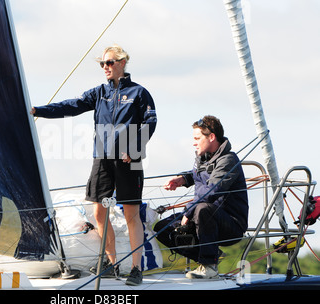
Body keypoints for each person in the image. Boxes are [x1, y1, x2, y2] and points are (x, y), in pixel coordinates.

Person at [31, 45, 157, 285]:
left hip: (128, 159)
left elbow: (151, 122)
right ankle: (112, 263)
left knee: (131, 213)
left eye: (109, 63)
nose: (105, 68)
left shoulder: (139, 93)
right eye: (102, 64)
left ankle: (136, 269)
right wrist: (39, 110)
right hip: (102, 158)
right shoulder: (99, 92)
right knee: (99, 211)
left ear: (121, 63)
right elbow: (72, 105)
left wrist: (134, 149)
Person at [155, 115, 248, 279]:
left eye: (197, 138)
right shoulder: (202, 157)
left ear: (211, 137)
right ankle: (211, 254)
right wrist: (182, 179)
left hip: (230, 224)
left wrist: (187, 212)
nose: (194, 142)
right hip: (202, 217)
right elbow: (197, 174)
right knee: (162, 229)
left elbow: (211, 191)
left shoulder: (228, 160)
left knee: (202, 208)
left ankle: (209, 266)